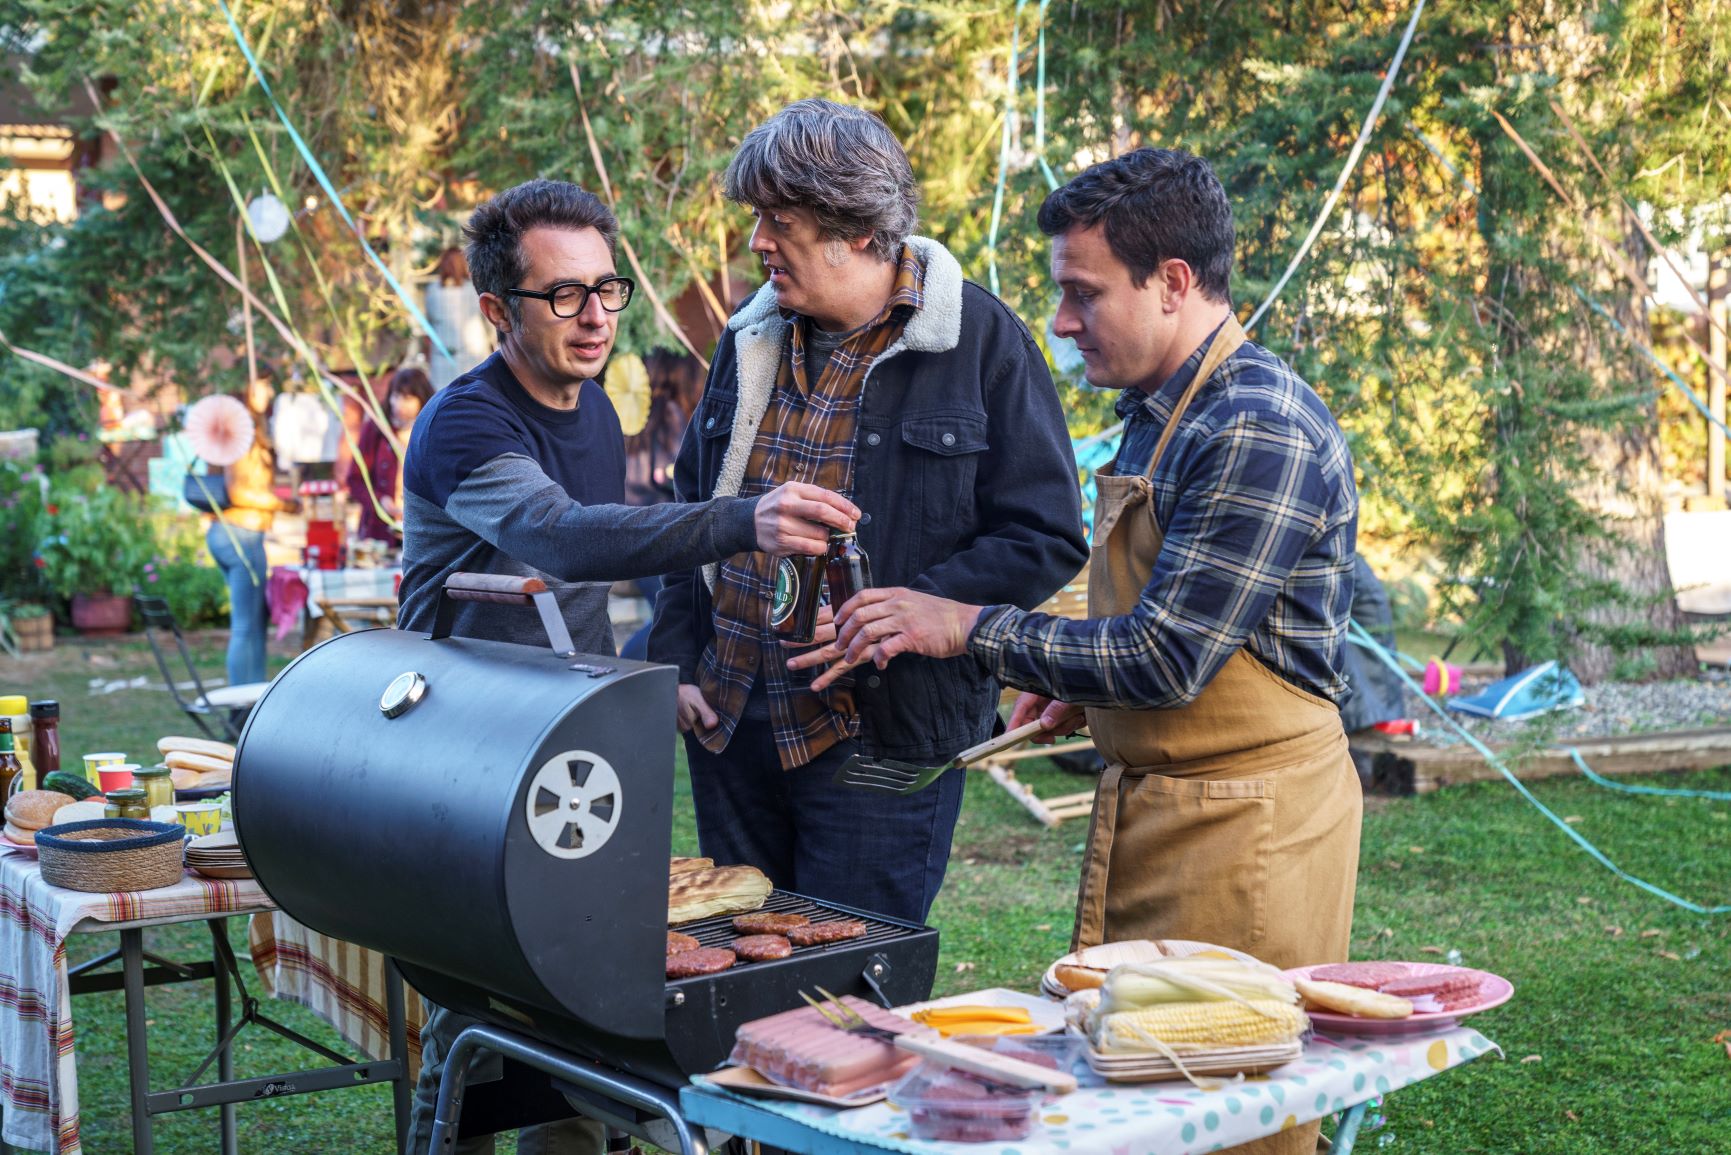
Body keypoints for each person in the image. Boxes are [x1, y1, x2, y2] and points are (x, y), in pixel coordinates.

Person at [796, 149, 1361, 1155]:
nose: (1060, 322)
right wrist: (1081, 697)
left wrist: (966, 625)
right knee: (1134, 1102)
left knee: (1227, 1120)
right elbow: (1181, 621)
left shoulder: (1255, 425)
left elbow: (1167, 657)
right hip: (1160, 797)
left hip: (1252, 833)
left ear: (1175, 283)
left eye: (1080, 293)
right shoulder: (1157, 413)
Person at [397, 178, 858, 1155]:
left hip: (570, 747)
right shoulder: (465, 426)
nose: (595, 315)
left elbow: (597, 576)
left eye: (608, 290)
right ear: (495, 312)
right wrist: (747, 517)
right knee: (479, 1009)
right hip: (459, 751)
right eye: (563, 295)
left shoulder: (595, 410)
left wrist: (665, 664)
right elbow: (560, 538)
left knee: (581, 990)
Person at [648, 99, 1088, 926]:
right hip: (731, 727)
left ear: (855, 229)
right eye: (755, 218)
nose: (756, 242)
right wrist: (674, 653)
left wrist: (920, 607)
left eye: (778, 221)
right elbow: (688, 509)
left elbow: (1046, 534)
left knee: (855, 1001)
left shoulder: (982, 343)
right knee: (737, 985)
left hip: (883, 741)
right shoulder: (747, 337)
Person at [206, 375, 293, 687]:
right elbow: (238, 491)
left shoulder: (251, 431)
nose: (269, 392)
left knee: (255, 623)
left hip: (243, 533)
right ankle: (240, 701)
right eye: (263, 384)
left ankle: (254, 695)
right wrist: (281, 505)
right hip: (238, 532)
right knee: (244, 625)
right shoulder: (239, 436)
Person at [620, 350, 704, 660]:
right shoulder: (671, 413)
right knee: (672, 614)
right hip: (655, 528)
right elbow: (673, 472)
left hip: (627, 524)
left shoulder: (636, 416)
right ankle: (628, 666)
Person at [347, 365, 434, 545]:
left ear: (422, 399)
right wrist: (381, 500)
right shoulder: (377, 429)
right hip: (380, 532)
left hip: (424, 531)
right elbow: (354, 480)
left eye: (408, 398)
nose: (399, 404)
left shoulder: (433, 432)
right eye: (396, 396)